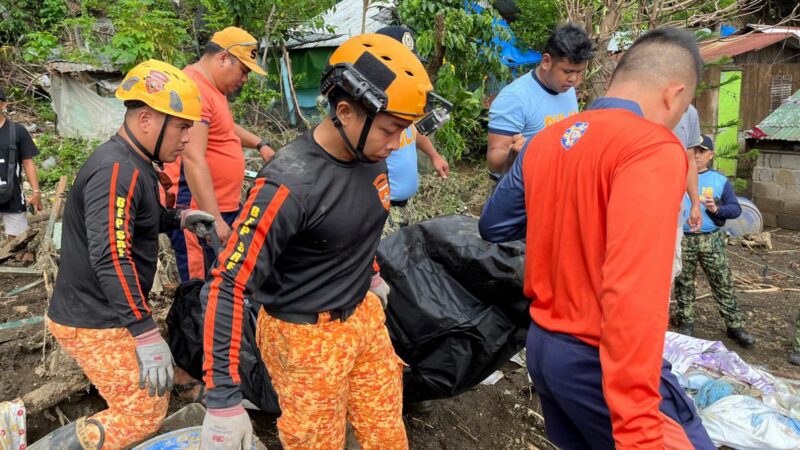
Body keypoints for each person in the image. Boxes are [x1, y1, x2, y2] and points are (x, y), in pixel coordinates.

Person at [198, 33, 446, 449]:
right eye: (392, 129)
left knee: (387, 436)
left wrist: (370, 275)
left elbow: (351, 224)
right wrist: (222, 399)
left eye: (406, 130)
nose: (399, 143)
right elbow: (226, 285)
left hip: (363, 320)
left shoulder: (372, 154)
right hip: (304, 339)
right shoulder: (288, 184)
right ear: (345, 112)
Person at [479, 28, 715, 449]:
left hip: (545, 349)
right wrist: (640, 428)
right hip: (602, 361)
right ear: (674, 94)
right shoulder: (652, 149)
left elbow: (494, 225)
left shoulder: (544, 142)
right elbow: (633, 294)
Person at [36, 60, 215, 449]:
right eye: (182, 126)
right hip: (94, 318)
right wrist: (145, 332)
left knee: (148, 395)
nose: (187, 138)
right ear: (147, 119)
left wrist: (178, 218)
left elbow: (135, 221)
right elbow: (111, 257)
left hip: (104, 308)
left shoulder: (135, 164)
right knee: (140, 413)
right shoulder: (116, 170)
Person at [163, 26, 273, 283]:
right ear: (223, 57)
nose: (245, 79)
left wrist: (260, 144)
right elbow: (193, 158)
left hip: (221, 208)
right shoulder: (194, 88)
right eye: (243, 70)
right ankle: (198, 325)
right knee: (200, 287)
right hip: (200, 213)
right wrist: (214, 219)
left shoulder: (212, 89)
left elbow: (223, 126)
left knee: (220, 283)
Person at [673, 135, 755, 347]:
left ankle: (734, 325)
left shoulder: (719, 180)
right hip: (684, 238)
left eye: (702, 151)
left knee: (722, 281)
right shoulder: (678, 175)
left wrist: (715, 208)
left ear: (710, 155)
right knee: (683, 283)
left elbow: (736, 209)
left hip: (711, 239)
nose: (697, 155)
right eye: (694, 151)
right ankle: (686, 322)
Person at [486, 24, 593, 177]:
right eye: (568, 71)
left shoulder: (566, 88)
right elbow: (494, 162)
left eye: (579, 72)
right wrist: (516, 155)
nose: (574, 79)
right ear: (546, 61)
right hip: (522, 191)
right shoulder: (514, 98)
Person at [376, 26, 449, 232]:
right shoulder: (371, 106)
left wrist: (434, 156)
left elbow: (413, 131)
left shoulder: (403, 99)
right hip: (382, 211)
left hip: (407, 205)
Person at [0, 87, 42, 240]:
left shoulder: (17, 131)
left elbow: (28, 162)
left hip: (13, 194)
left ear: (3, 105)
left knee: (18, 243)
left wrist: (36, 192)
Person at [671, 104, 704, 279]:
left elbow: (689, 158)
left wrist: (695, 203)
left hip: (674, 211)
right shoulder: (640, 104)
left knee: (668, 272)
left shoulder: (689, 112)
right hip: (639, 213)